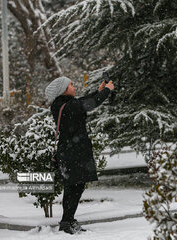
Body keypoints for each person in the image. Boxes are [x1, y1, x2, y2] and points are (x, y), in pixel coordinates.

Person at [45, 76, 114, 234]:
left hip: (72, 151)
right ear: (63, 89)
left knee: (75, 186)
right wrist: (107, 91)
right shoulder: (67, 106)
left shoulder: (63, 104)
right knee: (73, 187)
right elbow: (90, 104)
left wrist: (99, 91)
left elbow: (83, 101)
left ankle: (68, 220)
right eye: (71, 84)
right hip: (72, 153)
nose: (74, 87)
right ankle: (66, 221)